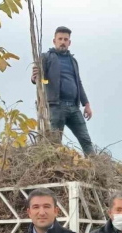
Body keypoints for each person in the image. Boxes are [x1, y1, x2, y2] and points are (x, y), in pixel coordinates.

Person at [31, 26, 94, 156]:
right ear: (54, 41)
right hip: (56, 106)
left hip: (74, 107)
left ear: (69, 43)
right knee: (55, 142)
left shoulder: (73, 61)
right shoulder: (46, 57)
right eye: (60, 39)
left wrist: (86, 104)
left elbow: (79, 83)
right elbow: (40, 78)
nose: (63, 42)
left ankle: (96, 167)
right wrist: (35, 78)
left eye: (66, 39)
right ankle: (54, 169)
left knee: (86, 140)